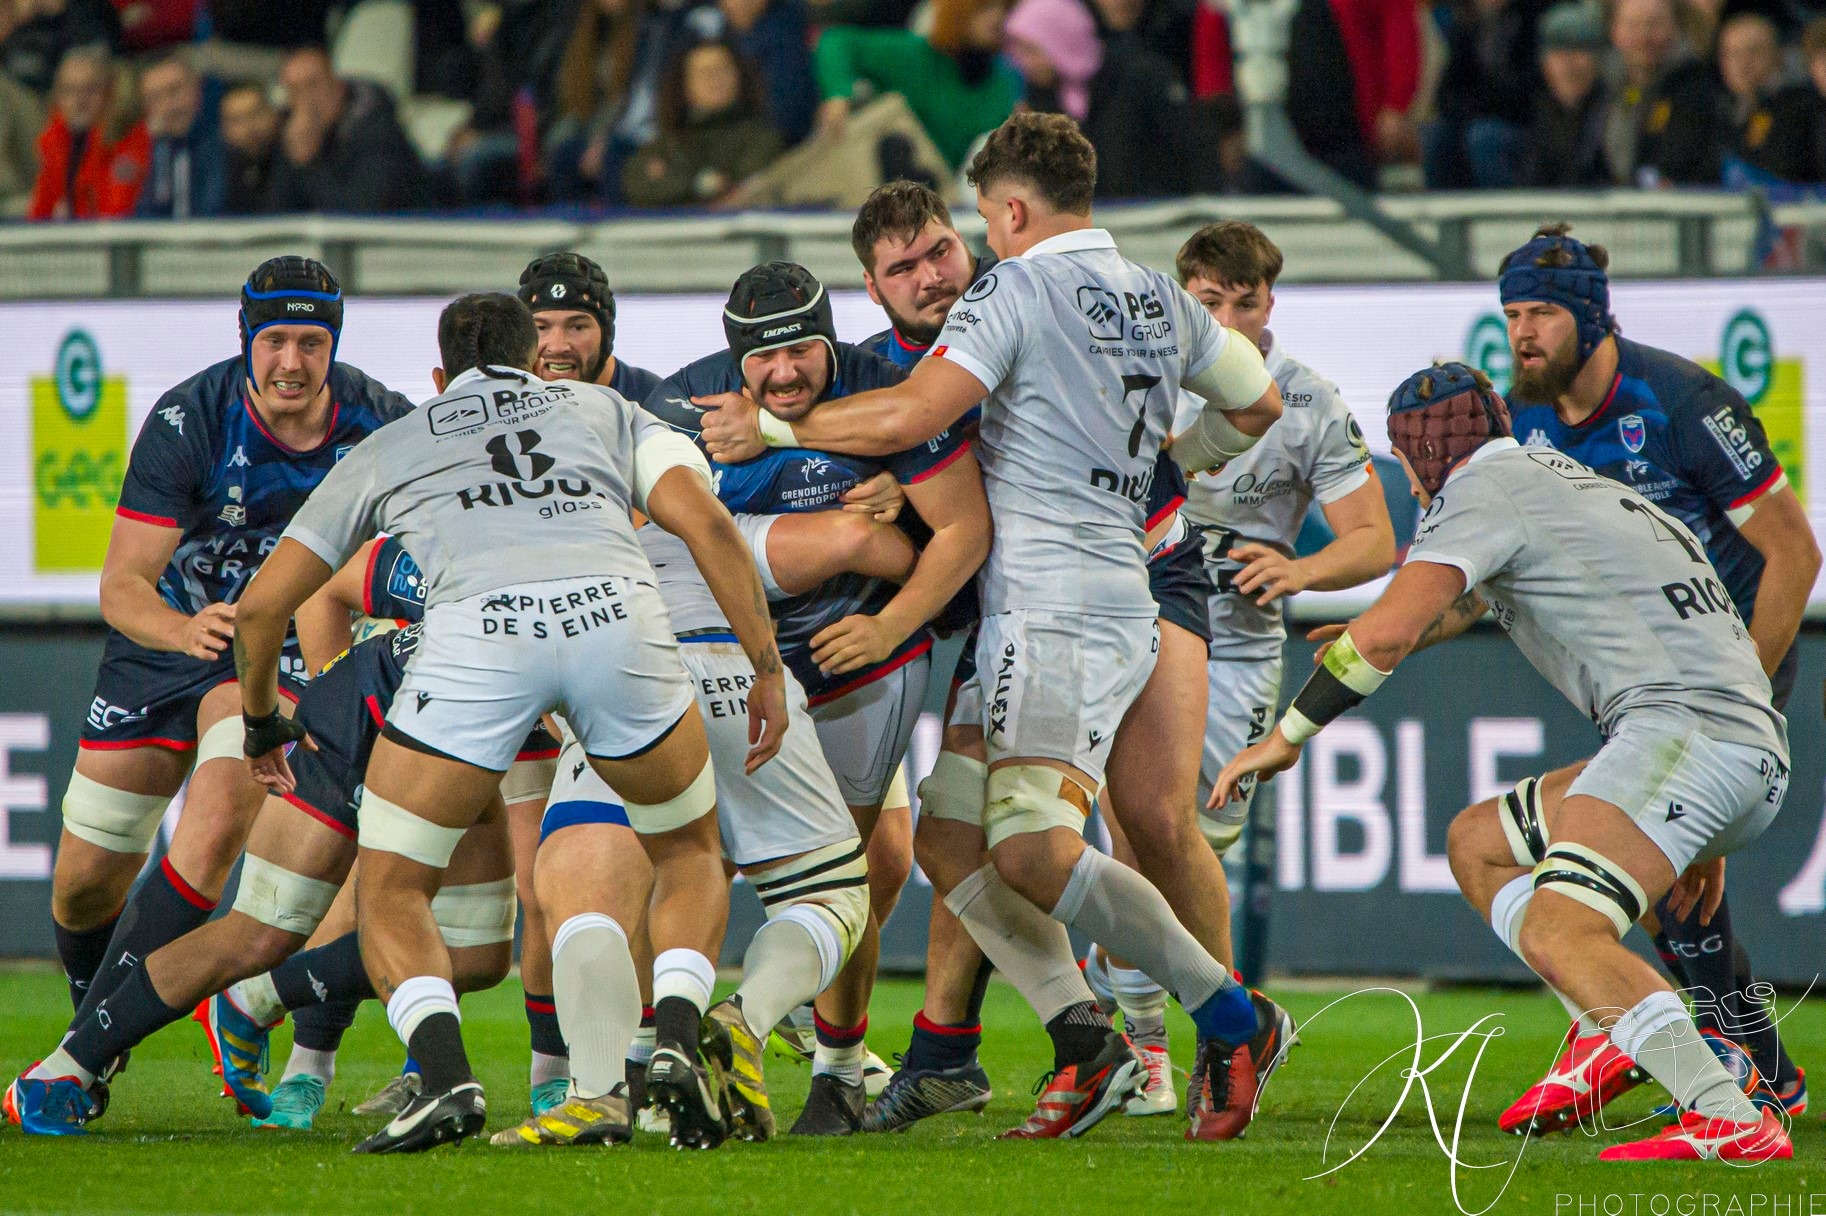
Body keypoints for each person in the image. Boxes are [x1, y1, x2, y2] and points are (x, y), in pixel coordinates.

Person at [699, 111, 1288, 1140]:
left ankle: (1230, 1016)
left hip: (1066, 595)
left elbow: (908, 417)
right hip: (1064, 590)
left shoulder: (1008, 291)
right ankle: (1083, 1036)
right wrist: (1156, 462)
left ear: (1004, 213)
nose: (937, 270)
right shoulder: (1156, 290)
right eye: (904, 264)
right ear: (873, 289)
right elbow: (1258, 404)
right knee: (954, 833)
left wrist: (780, 428)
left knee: (1044, 843)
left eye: (956, 235)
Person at [221, 292, 786, 1153]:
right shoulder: (603, 406)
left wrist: (262, 725)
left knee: (395, 887)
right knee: (687, 853)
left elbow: (263, 613)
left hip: (478, 643)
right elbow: (707, 522)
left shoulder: (395, 442)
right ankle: (671, 1042)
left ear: (441, 376)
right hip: (615, 623)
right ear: (533, 361)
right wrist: (767, 666)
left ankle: (445, 1080)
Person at [1215, 361, 1795, 1164]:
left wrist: (1285, 737)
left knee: (1565, 928)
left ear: (1417, 457)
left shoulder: (1476, 492)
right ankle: (1608, 1031)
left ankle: (1726, 1113)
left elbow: (1383, 635)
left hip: (1684, 733)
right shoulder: (1558, 476)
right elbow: (1470, 599)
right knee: (1480, 841)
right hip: (1722, 737)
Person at [32, 258, 410, 1124]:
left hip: (267, 658)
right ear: (246, 340)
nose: (291, 361)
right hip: (161, 647)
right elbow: (122, 582)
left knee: (213, 827)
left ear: (332, 346)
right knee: (84, 884)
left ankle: (77, 1060)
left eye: (311, 342)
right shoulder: (189, 419)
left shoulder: (379, 419)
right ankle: (92, 1029)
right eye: (274, 339)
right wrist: (181, 631)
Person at [3, 549, 517, 1137]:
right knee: (261, 930)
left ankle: (250, 1000)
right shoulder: (590, 596)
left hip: (455, 728)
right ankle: (62, 1070)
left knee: (476, 954)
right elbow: (310, 592)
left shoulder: (590, 580)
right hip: (370, 711)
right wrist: (323, 706)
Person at [647, 260, 991, 1134]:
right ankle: (665, 1054)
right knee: (703, 860)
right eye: (763, 361)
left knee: (853, 866)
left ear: (831, 337)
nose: (786, 373)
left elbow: (960, 531)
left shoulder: (893, 394)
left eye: (803, 349)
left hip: (862, 661)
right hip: (735, 661)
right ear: (735, 361)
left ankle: (834, 1069)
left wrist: (888, 624)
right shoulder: (684, 409)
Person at [1075, 219, 1395, 1132]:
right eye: (1208, 301)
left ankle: (1236, 1026)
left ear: (1269, 302)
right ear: (1183, 300)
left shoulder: (1307, 400)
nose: (1228, 318)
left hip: (1239, 647)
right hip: (1129, 628)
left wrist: (1299, 572)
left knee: (1175, 849)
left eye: (1243, 302)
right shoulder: (1144, 380)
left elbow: (1373, 539)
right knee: (1124, 842)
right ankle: (1155, 1058)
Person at [1496, 224, 1817, 1129]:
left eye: (1544, 314)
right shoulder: (1523, 421)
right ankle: (1751, 1060)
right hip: (1641, 674)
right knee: (1662, 883)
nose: (1524, 333)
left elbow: (1793, 552)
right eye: (1513, 313)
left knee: (1654, 869)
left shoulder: (1681, 401)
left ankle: (1733, 1063)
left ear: (1593, 318)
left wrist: (1737, 698)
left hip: (1733, 655)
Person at [487, 517, 870, 1147]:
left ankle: (595, 1092)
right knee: (830, 895)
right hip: (735, 674)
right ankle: (740, 1020)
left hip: (620, 679)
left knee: (588, 897)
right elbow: (857, 542)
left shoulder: (557, 524)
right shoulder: (715, 508)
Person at [811, 2, 1024, 170]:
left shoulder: (1007, 75)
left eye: (1004, 7)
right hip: (901, 196)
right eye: (985, 7)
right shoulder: (915, 56)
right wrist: (837, 94)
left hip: (968, 201)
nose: (997, 17)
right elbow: (836, 40)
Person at [262, 46, 432, 214]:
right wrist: (293, 157)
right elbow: (278, 212)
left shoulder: (377, 130)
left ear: (337, 86)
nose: (307, 101)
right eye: (295, 90)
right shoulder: (294, 130)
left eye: (313, 86)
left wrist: (311, 164)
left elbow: (361, 213)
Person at [621, 37, 783, 207]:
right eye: (703, 72)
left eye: (722, 69)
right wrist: (701, 183)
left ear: (739, 77)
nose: (714, 79)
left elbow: (742, 192)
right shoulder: (669, 141)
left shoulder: (761, 138)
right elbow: (637, 184)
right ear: (685, 85)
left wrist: (675, 181)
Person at [27, 45, 147, 220]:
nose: (79, 100)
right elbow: (39, 214)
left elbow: (117, 214)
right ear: (57, 96)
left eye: (90, 89)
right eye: (69, 90)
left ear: (109, 92)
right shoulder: (55, 142)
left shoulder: (127, 136)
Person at [1716, 12, 1825, 183]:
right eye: (1733, 53)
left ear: (1777, 55)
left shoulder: (1801, 107)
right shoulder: (1720, 108)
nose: (1743, 63)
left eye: (1754, 51)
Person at [1521, 3, 1614, 187]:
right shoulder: (1542, 109)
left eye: (1579, 51)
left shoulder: (1611, 110)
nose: (1568, 65)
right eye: (1559, 53)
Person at [135, 51, 227, 220]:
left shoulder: (225, 143)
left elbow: (213, 211)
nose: (168, 106)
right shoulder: (156, 148)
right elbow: (147, 213)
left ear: (197, 89)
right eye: (155, 98)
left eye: (175, 91)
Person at [219, 82, 276, 215]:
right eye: (237, 120)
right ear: (224, 130)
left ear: (272, 113)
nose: (249, 127)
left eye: (255, 114)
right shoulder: (219, 168)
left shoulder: (293, 156)